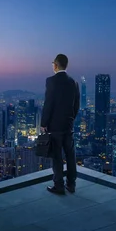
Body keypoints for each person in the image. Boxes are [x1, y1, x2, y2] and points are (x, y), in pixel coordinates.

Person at [41, 54, 80, 194]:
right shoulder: (73, 82)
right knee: (70, 155)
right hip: (68, 125)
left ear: (55, 65)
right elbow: (77, 105)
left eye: (53, 64)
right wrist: (71, 118)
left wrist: (44, 122)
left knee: (57, 156)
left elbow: (48, 103)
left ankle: (59, 186)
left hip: (55, 126)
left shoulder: (51, 81)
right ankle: (72, 184)